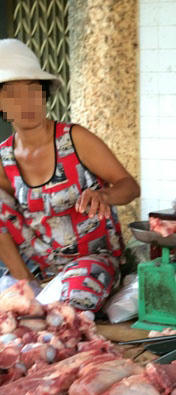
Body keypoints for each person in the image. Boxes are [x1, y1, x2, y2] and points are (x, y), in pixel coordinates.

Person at [0, 38, 140, 312]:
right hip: (38, 265)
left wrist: (105, 195)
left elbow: (130, 186)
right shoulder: (4, 158)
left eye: (33, 90)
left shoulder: (74, 139)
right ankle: (26, 286)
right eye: (12, 94)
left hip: (91, 260)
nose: (26, 102)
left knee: (68, 313)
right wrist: (25, 282)